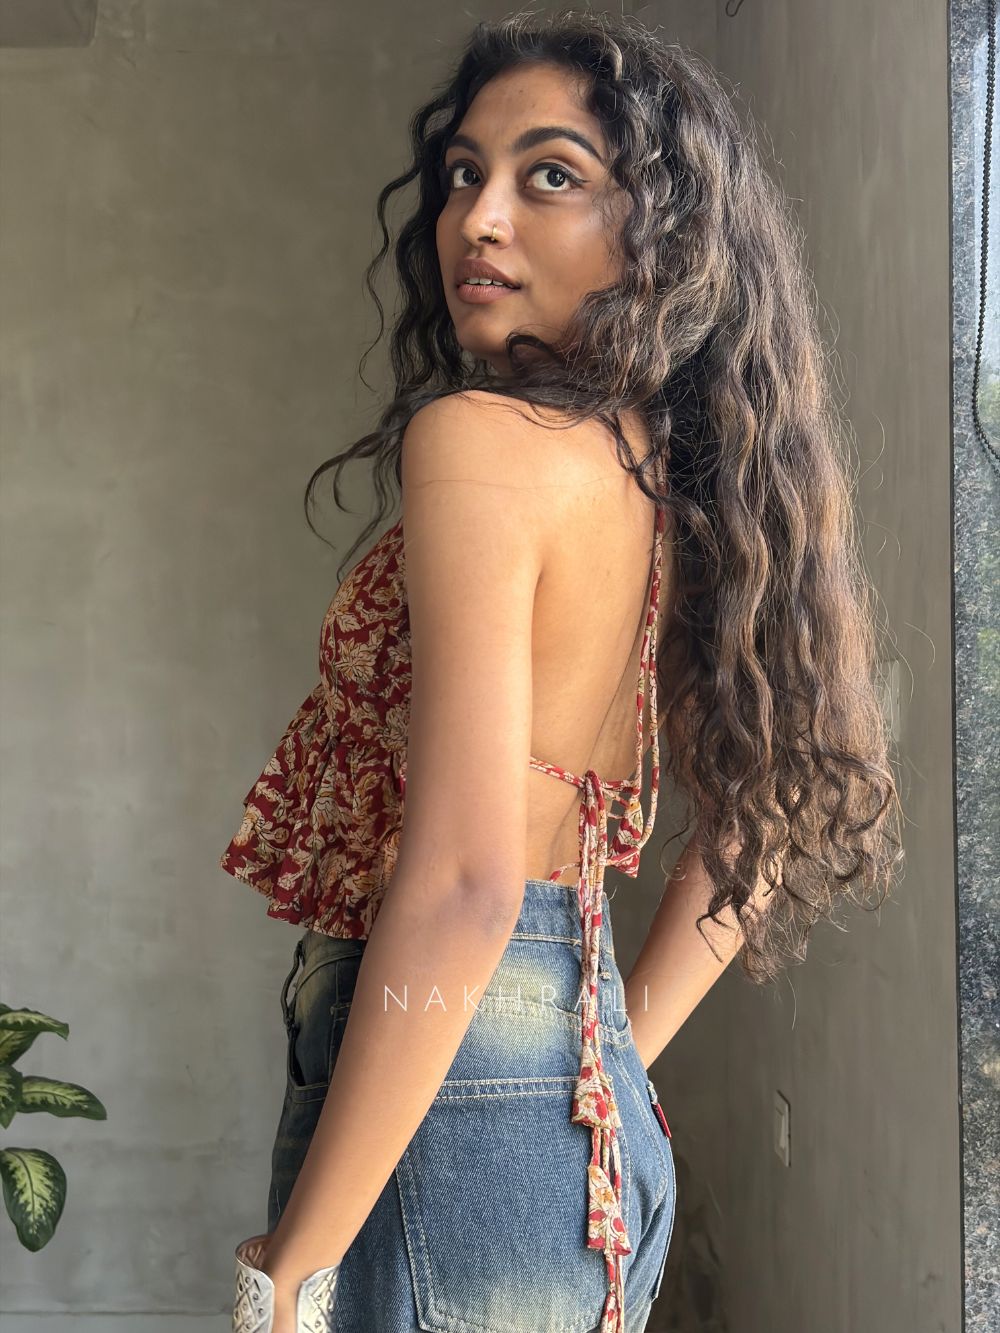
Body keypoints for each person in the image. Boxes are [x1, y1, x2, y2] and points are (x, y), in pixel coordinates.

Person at [224, 11, 903, 1332]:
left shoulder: (476, 443)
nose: (478, 219)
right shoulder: (681, 484)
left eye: (549, 175)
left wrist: (289, 1274)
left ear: (658, 231)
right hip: (586, 1128)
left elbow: (467, 886)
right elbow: (764, 819)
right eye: (462, 174)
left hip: (445, 1101)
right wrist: (605, 1056)